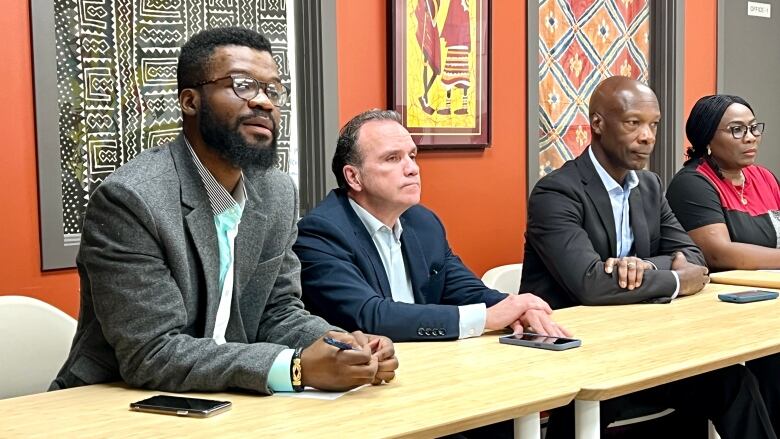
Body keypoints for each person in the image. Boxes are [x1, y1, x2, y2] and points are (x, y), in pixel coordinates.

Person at [50, 27, 397, 394]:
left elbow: (277, 311)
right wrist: (296, 369)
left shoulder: (276, 193)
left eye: (273, 90)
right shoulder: (131, 199)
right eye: (243, 85)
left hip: (229, 400)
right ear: (190, 101)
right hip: (115, 403)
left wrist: (343, 347)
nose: (264, 101)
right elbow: (152, 353)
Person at [523, 76, 776, 438]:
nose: (647, 136)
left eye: (653, 125)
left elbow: (692, 256)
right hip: (581, 359)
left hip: (646, 346)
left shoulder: (650, 186)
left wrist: (646, 265)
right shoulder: (556, 193)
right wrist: (673, 277)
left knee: (734, 380)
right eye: (633, 123)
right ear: (597, 124)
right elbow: (589, 283)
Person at [293, 109, 570, 343]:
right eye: (393, 158)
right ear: (353, 177)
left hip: (429, 368)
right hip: (359, 382)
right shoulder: (320, 233)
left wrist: (516, 308)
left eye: (412, 156)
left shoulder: (423, 223)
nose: (412, 168)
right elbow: (370, 315)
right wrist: (486, 317)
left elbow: (467, 291)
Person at [667, 94, 780, 432]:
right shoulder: (693, 183)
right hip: (723, 310)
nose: (750, 137)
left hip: (769, 301)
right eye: (736, 130)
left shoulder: (764, 178)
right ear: (707, 140)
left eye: (753, 128)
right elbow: (718, 252)